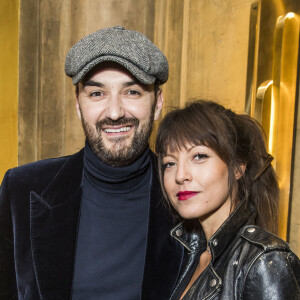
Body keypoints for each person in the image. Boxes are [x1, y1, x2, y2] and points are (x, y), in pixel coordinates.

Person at [0, 26, 183, 300]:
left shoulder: (188, 200)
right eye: (97, 94)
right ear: (78, 104)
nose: (114, 112)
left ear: (157, 103)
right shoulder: (22, 190)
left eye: (132, 92)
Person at [155, 99, 300, 299]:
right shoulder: (187, 252)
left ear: (238, 166)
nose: (180, 175)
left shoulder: (264, 260)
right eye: (169, 163)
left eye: (199, 156)